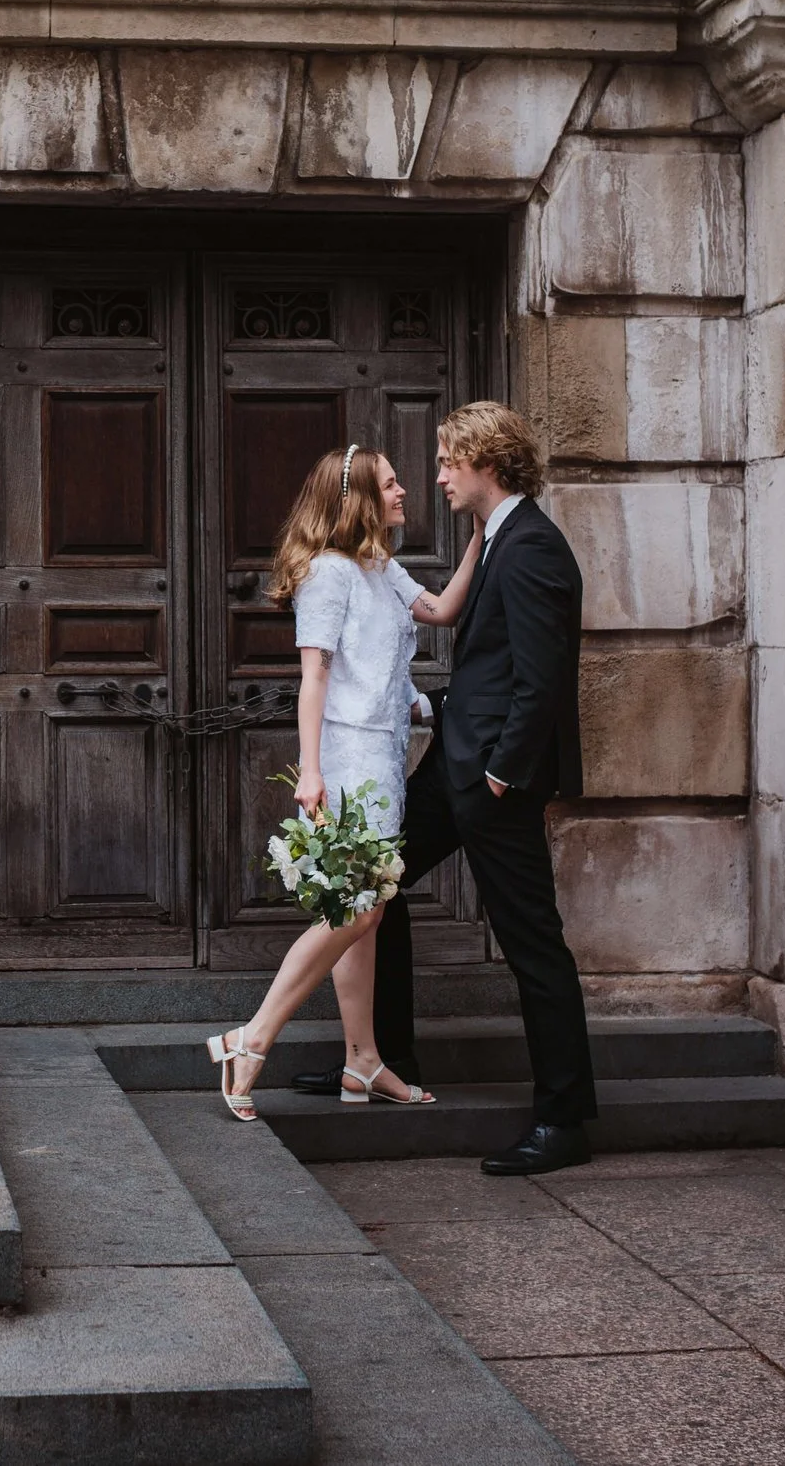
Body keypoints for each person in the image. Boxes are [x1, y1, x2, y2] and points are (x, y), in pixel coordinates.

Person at [290, 401, 597, 1177]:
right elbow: (490, 665)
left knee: (533, 942)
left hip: (490, 781)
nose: (436, 476)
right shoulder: (497, 539)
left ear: (484, 461)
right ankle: (380, 1057)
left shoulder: (531, 548)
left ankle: (565, 1116)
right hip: (451, 769)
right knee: (376, 890)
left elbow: (541, 681)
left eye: (446, 460)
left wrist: (500, 772)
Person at [205, 442, 479, 1120]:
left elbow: (441, 609)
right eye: (389, 485)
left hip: (386, 759)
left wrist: (481, 534)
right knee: (354, 911)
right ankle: (254, 1035)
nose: (403, 493)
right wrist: (312, 773)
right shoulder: (329, 574)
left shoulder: (381, 568)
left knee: (369, 914)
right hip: (348, 761)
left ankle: (362, 1059)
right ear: (358, 498)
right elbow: (316, 678)